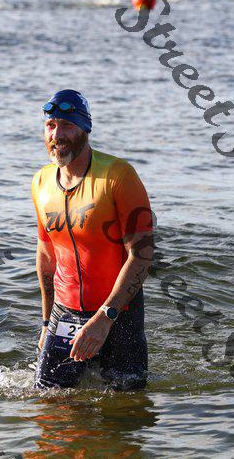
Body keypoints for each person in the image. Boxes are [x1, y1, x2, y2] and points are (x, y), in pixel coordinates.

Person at [31, 89, 154, 391]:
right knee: (48, 401)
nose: (57, 135)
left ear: (85, 128)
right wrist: (47, 323)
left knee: (126, 406)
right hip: (65, 311)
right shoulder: (41, 182)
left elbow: (141, 255)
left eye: (67, 125)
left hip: (119, 314)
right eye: (50, 125)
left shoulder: (118, 176)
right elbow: (46, 255)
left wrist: (104, 318)